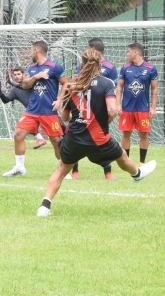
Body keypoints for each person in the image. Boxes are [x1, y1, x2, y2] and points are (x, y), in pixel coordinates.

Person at [37, 48, 157, 216]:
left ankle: (44, 207)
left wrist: (80, 117)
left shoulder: (72, 86)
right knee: (121, 156)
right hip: (99, 138)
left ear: (82, 65)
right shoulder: (107, 83)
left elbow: (65, 117)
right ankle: (137, 174)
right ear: (100, 66)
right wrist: (103, 121)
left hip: (75, 138)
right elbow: (112, 111)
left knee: (62, 170)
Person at [2, 41, 68, 177]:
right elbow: (25, 85)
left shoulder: (54, 67)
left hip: (49, 110)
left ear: (37, 51)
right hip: (32, 110)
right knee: (18, 135)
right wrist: (36, 77)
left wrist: (60, 100)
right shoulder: (32, 68)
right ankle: (20, 167)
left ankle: (63, 170)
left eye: (31, 50)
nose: (30, 53)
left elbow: (66, 83)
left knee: (56, 141)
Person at [70, 37, 119, 180]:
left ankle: (108, 172)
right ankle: (75, 171)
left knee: (103, 140)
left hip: (99, 109)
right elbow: (75, 81)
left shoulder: (109, 68)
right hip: (81, 106)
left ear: (94, 49)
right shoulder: (83, 63)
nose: (86, 51)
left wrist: (110, 113)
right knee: (75, 137)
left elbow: (113, 89)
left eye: (88, 48)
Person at [116, 42, 159, 166]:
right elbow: (119, 86)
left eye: (128, 51)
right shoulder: (125, 68)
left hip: (143, 109)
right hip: (127, 108)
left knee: (144, 134)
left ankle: (141, 162)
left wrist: (153, 108)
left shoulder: (150, 68)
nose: (127, 54)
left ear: (136, 52)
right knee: (126, 133)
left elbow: (155, 89)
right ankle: (126, 161)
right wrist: (118, 104)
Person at [0, 67, 48, 149]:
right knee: (23, 125)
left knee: (59, 129)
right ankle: (40, 139)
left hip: (44, 109)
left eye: (19, 74)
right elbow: (5, 100)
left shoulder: (29, 82)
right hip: (32, 113)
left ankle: (66, 141)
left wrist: (12, 82)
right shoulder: (14, 90)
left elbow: (24, 86)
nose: (17, 76)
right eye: (15, 75)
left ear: (23, 74)